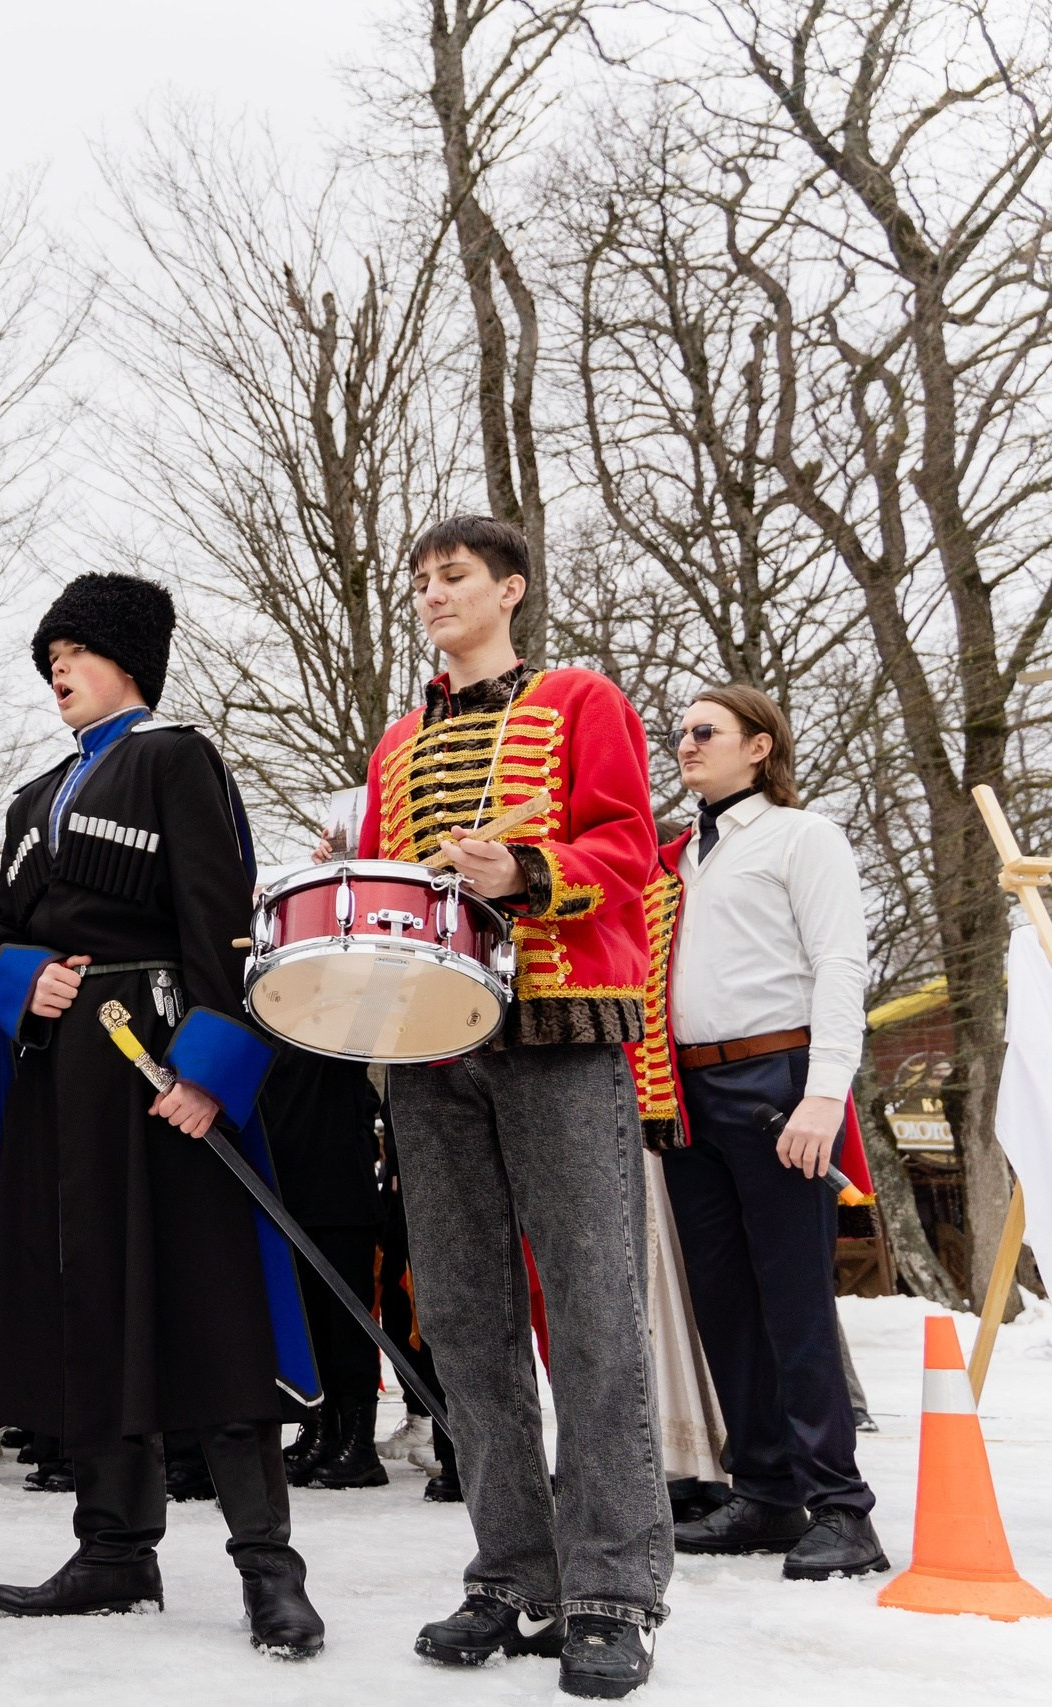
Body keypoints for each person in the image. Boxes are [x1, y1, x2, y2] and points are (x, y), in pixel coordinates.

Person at [0, 574, 326, 1659]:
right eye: (47, 659)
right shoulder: (32, 799)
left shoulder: (178, 758)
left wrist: (210, 1069)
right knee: (91, 1301)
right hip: (64, 1080)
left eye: (73, 651)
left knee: (209, 1305)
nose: (56, 672)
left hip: (164, 1065)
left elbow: (226, 925)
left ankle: (270, 1567)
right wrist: (23, 975)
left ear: (128, 659)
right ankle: (114, 1548)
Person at [353, 515, 674, 1697]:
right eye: (422, 580)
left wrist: (525, 872)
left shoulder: (580, 699)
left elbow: (629, 847)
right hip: (434, 1045)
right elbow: (384, 885)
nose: (432, 594)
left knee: (590, 1311)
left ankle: (612, 1589)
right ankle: (512, 1571)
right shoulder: (397, 742)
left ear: (511, 589)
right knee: (466, 1318)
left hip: (558, 1024)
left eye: (453, 577)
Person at [658, 684, 885, 1580]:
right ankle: (765, 1492)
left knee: (794, 1301)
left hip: (777, 1079)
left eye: (704, 731)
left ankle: (842, 1506)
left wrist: (825, 1093)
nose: (685, 744)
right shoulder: (678, 858)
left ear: (760, 746)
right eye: (677, 733)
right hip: (684, 1089)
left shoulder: (804, 836)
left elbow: (839, 963)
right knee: (723, 1302)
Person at [260, 1042, 390, 1490]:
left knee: (345, 1328)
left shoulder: (337, 1011)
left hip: (340, 1190)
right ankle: (318, 1428)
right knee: (308, 1324)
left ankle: (359, 1443)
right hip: (287, 1184)